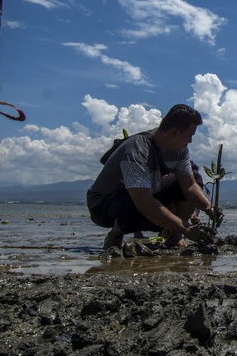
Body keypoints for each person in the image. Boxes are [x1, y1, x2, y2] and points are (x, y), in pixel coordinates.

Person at [86, 104, 218, 252]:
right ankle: (115, 235)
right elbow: (145, 203)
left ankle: (174, 236)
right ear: (174, 132)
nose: (191, 141)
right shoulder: (137, 149)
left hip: (147, 194)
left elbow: (189, 185)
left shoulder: (180, 150)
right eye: (190, 135)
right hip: (105, 204)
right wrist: (187, 229)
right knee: (133, 203)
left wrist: (209, 208)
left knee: (190, 177)